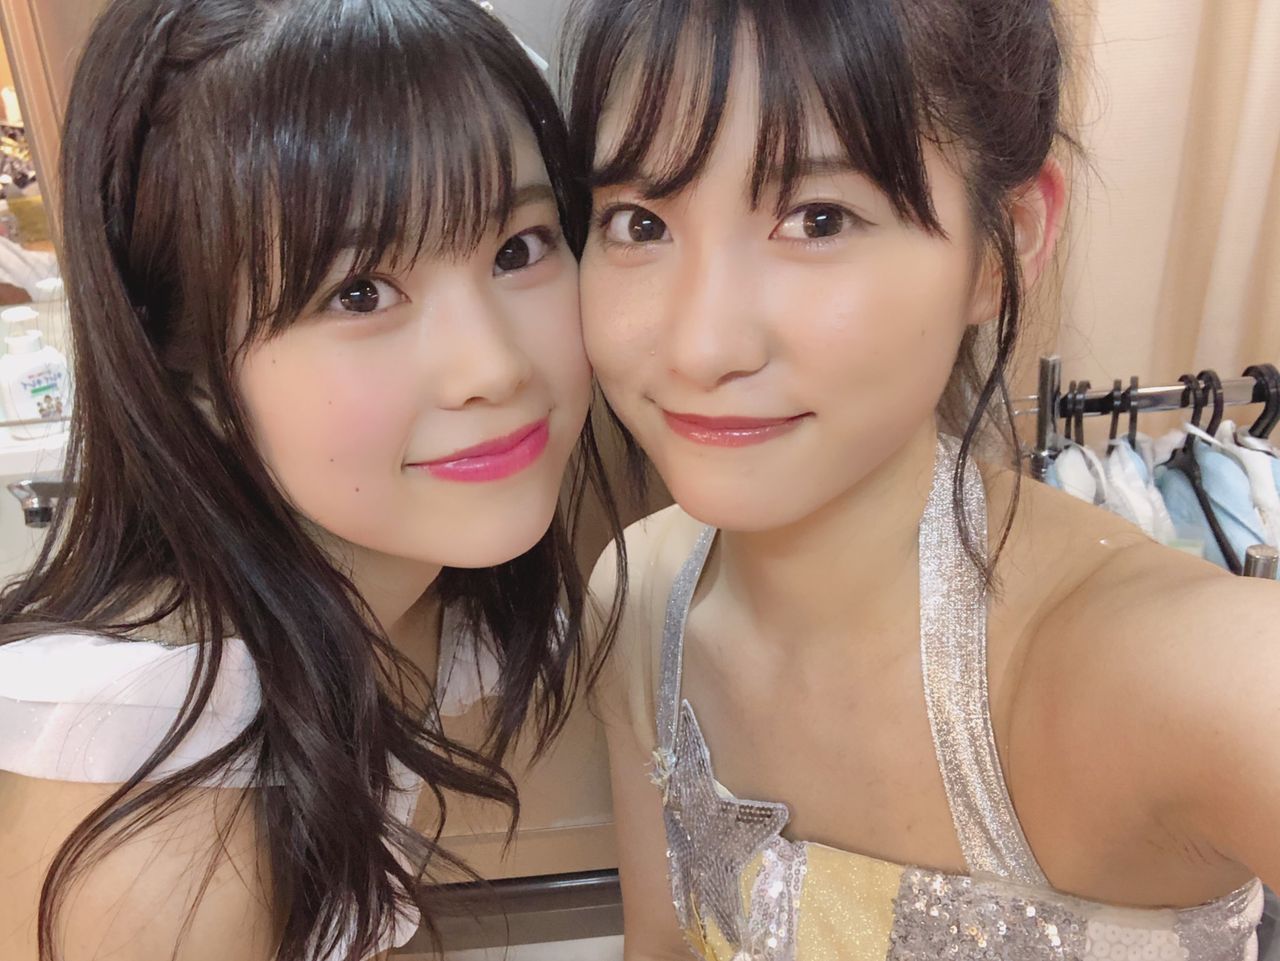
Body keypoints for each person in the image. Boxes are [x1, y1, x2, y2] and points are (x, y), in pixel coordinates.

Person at [567, 1, 1279, 958]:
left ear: (1004, 243)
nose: (700, 345)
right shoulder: (639, 595)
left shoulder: (1165, 672)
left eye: (817, 219)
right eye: (640, 222)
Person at [0, 1, 622, 958]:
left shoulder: (402, 605)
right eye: (359, 292)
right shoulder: (162, 844)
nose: (494, 366)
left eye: (519, 247)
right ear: (185, 369)